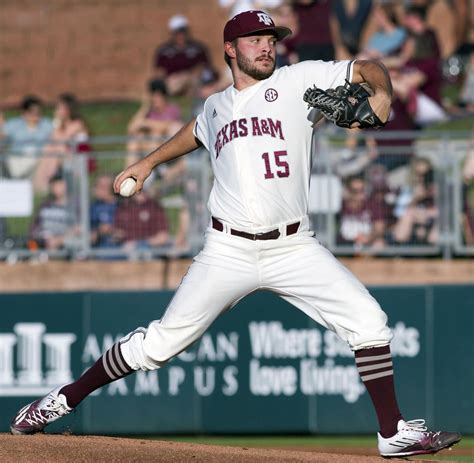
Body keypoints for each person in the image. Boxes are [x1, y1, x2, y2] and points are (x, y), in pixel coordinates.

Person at [10, 9, 461, 458]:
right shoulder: (215, 106)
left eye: (271, 39)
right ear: (230, 49)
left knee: (368, 321)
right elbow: (196, 131)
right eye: (255, 39)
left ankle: (392, 432)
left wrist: (379, 92)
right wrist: (148, 162)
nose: (267, 46)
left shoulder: (298, 81)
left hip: (293, 245)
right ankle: (63, 399)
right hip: (227, 248)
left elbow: (365, 67)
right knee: (160, 345)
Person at [33, 93, 90, 193]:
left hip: (79, 159)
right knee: (49, 150)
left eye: (59, 108)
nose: (56, 111)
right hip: (64, 157)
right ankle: (41, 186)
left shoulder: (77, 124)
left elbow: (60, 140)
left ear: (68, 109)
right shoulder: (62, 126)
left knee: (54, 151)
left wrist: (57, 122)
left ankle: (42, 186)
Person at [153, 14, 211, 96]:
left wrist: (186, 76)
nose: (180, 35)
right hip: (171, 82)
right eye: (177, 32)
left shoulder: (197, 49)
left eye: (183, 31)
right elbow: (159, 72)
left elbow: (203, 67)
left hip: (192, 81)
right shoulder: (164, 51)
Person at [0, 95, 53, 179]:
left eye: (38, 113)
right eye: (33, 112)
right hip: (17, 159)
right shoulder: (15, 124)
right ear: (24, 113)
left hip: (39, 161)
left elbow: (58, 136)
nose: (36, 116)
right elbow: (2, 135)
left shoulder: (46, 125)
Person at [90, 175, 119, 250]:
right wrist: (98, 231)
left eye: (102, 187)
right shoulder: (93, 207)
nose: (96, 189)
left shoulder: (121, 206)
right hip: (97, 249)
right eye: (96, 186)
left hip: (120, 248)